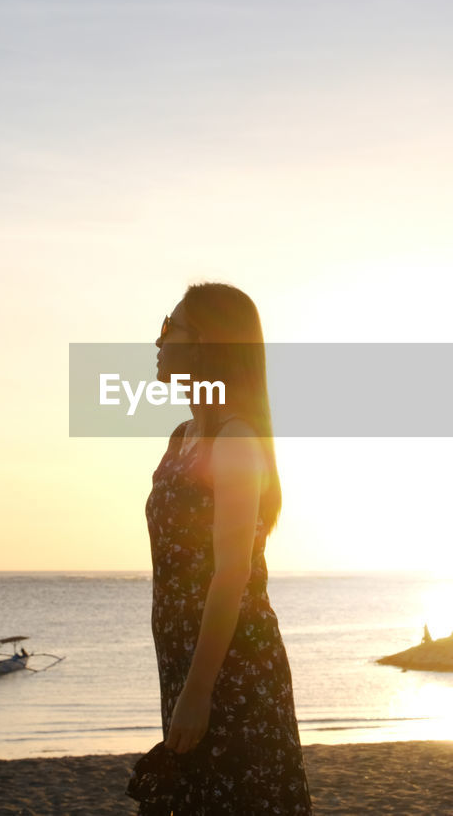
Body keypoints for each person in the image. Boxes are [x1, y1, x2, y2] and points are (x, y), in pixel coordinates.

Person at [141, 283, 312, 814]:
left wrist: (199, 691)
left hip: (232, 672)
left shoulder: (235, 439)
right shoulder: (182, 436)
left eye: (170, 328)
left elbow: (231, 573)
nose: (157, 340)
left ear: (206, 345)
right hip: (188, 665)